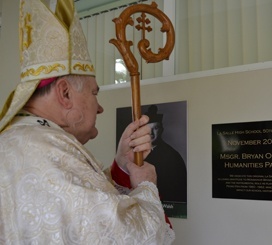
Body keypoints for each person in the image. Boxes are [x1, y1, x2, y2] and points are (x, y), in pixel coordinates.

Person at [0, 0, 175, 244]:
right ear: (65, 93)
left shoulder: (20, 142)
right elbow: (129, 237)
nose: (100, 107)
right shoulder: (47, 151)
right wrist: (146, 186)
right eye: (94, 93)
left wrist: (122, 165)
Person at [145, 105, 187, 203]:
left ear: (161, 130)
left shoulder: (172, 156)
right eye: (147, 128)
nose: (151, 133)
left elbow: (177, 192)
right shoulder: (134, 154)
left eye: (155, 128)